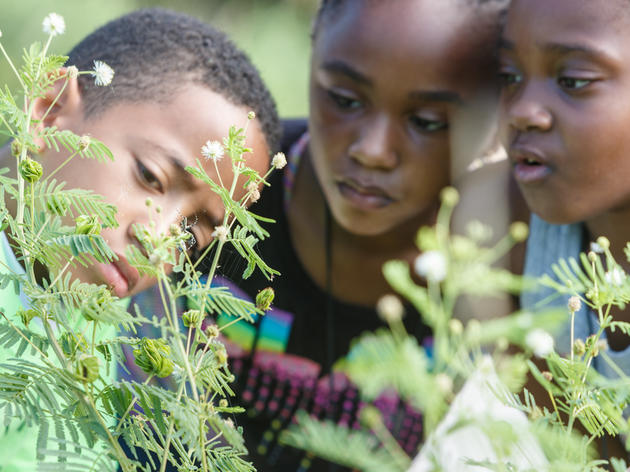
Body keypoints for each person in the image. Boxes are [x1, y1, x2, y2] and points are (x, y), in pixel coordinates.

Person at [175, 0, 511, 470]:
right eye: (345, 99)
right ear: (315, 52)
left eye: (427, 122)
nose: (373, 151)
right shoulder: (217, 194)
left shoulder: (508, 260)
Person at [0, 8, 281, 470]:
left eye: (193, 235)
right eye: (151, 177)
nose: (159, 243)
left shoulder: (117, 350)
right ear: (49, 109)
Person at [499, 0, 630, 376]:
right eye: (509, 76)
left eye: (573, 80)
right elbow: (550, 428)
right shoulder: (514, 228)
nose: (521, 111)